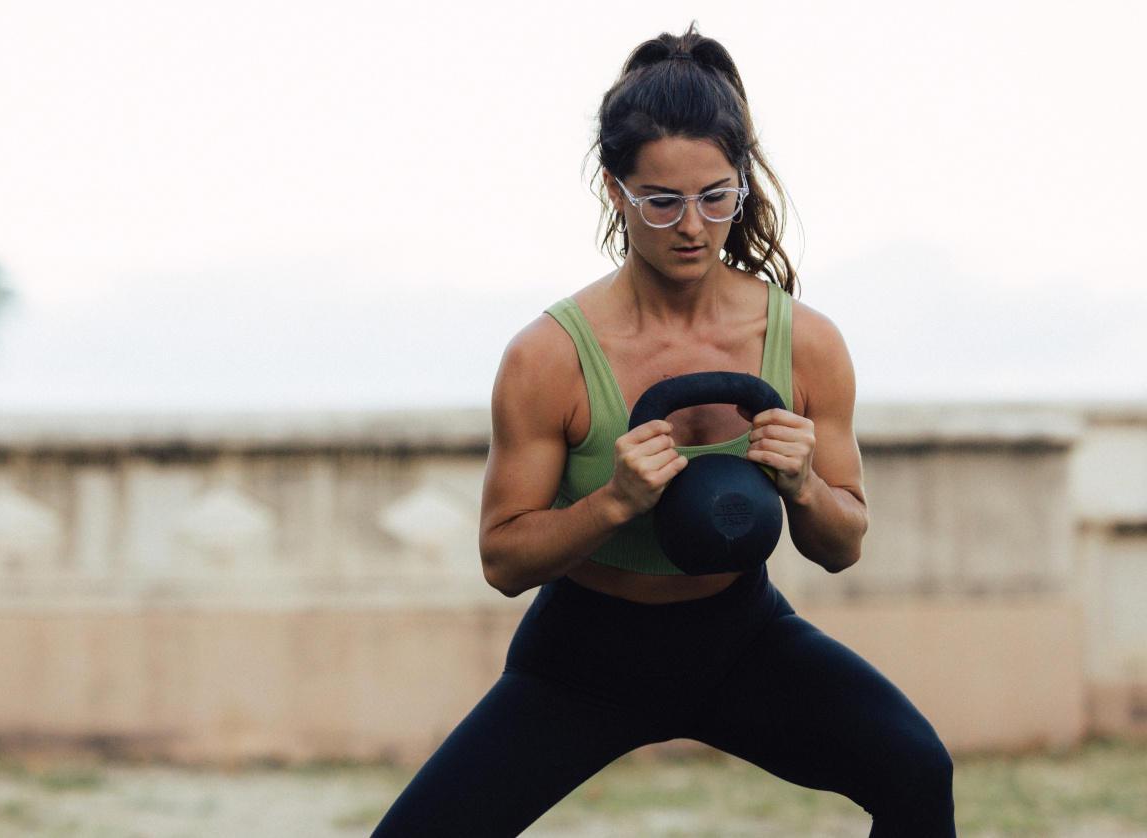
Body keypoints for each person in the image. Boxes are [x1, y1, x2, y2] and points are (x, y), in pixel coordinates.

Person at [372, 25, 956, 838]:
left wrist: (802, 485)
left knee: (918, 772)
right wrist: (612, 502)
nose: (693, 226)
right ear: (615, 192)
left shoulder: (806, 342)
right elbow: (503, 561)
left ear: (742, 181)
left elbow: (843, 545)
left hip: (741, 638)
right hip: (585, 655)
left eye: (717, 196)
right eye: (662, 201)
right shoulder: (549, 357)